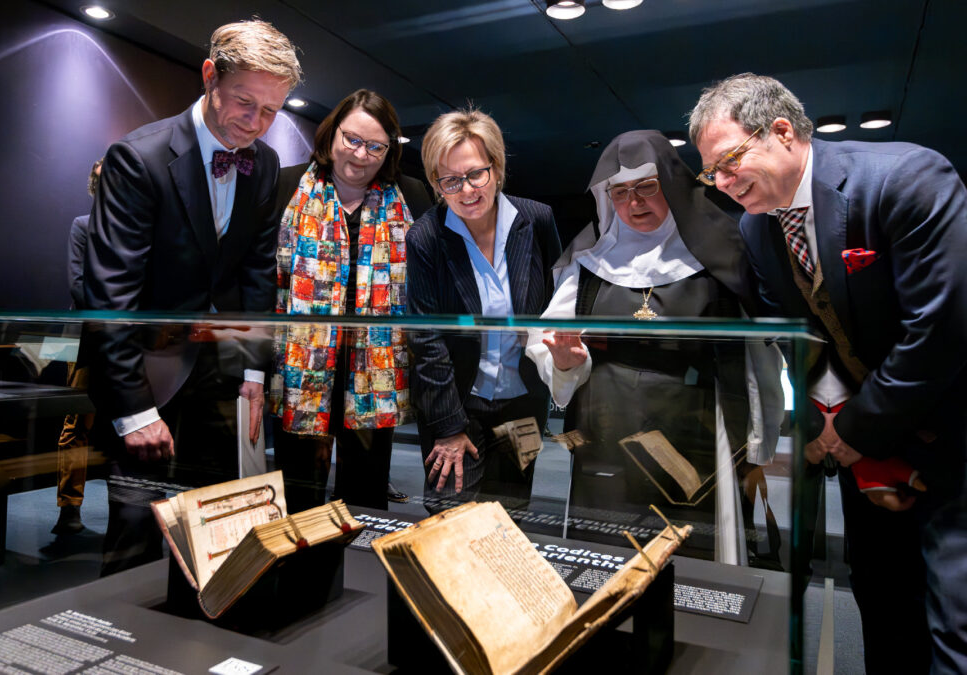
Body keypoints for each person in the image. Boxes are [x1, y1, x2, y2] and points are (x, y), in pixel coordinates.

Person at [690, 73, 967, 674]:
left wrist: (850, 430)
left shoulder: (906, 178)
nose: (723, 185)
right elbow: (798, 342)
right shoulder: (758, 227)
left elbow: (939, 335)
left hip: (963, 435)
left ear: (782, 131)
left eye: (729, 162)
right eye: (712, 174)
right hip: (862, 445)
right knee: (885, 608)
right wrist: (827, 428)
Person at [83, 20, 300, 575]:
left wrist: (254, 376)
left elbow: (255, 276)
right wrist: (134, 413)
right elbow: (111, 295)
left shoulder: (266, 163)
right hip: (146, 372)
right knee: (135, 528)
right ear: (210, 76)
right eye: (245, 103)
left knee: (219, 523)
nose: (256, 124)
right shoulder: (139, 158)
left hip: (218, 373)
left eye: (272, 110)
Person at [525, 130, 783, 561]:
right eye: (621, 191)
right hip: (603, 433)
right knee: (605, 554)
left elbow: (757, 357)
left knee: (689, 557)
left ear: (673, 186)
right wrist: (567, 363)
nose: (634, 202)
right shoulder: (588, 262)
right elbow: (549, 342)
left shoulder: (720, 256)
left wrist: (758, 445)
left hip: (694, 432)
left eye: (647, 186)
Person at [271, 89, 431, 511]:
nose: (361, 155)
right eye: (353, 140)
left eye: (376, 146)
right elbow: (265, 283)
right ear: (331, 135)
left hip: (376, 372)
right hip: (301, 368)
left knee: (366, 494)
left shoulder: (412, 196)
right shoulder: (287, 185)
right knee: (299, 498)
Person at [406, 108, 562, 512]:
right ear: (436, 183)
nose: (467, 190)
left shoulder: (537, 220)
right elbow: (427, 339)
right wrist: (448, 428)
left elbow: (557, 306)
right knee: (448, 523)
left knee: (511, 519)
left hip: (525, 404)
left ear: (497, 166)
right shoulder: (426, 237)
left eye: (476, 174)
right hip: (457, 405)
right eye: (451, 180)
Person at [52, 157, 103, 536]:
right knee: (76, 423)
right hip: (89, 340)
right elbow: (78, 285)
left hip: (127, 344)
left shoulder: (137, 230)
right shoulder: (82, 227)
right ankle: (69, 508)